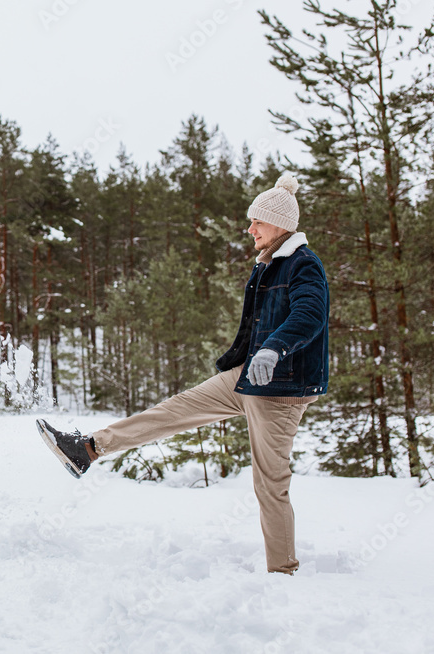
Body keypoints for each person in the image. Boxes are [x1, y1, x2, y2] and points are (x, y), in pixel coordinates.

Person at [36, 174, 328, 575]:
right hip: (247, 378)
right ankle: (86, 450)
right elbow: (255, 325)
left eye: (256, 222)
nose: (250, 229)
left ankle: (282, 573)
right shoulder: (267, 266)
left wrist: (275, 349)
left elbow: (310, 315)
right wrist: (238, 359)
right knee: (174, 410)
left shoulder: (303, 264)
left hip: (280, 388)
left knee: (270, 483)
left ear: (277, 224)